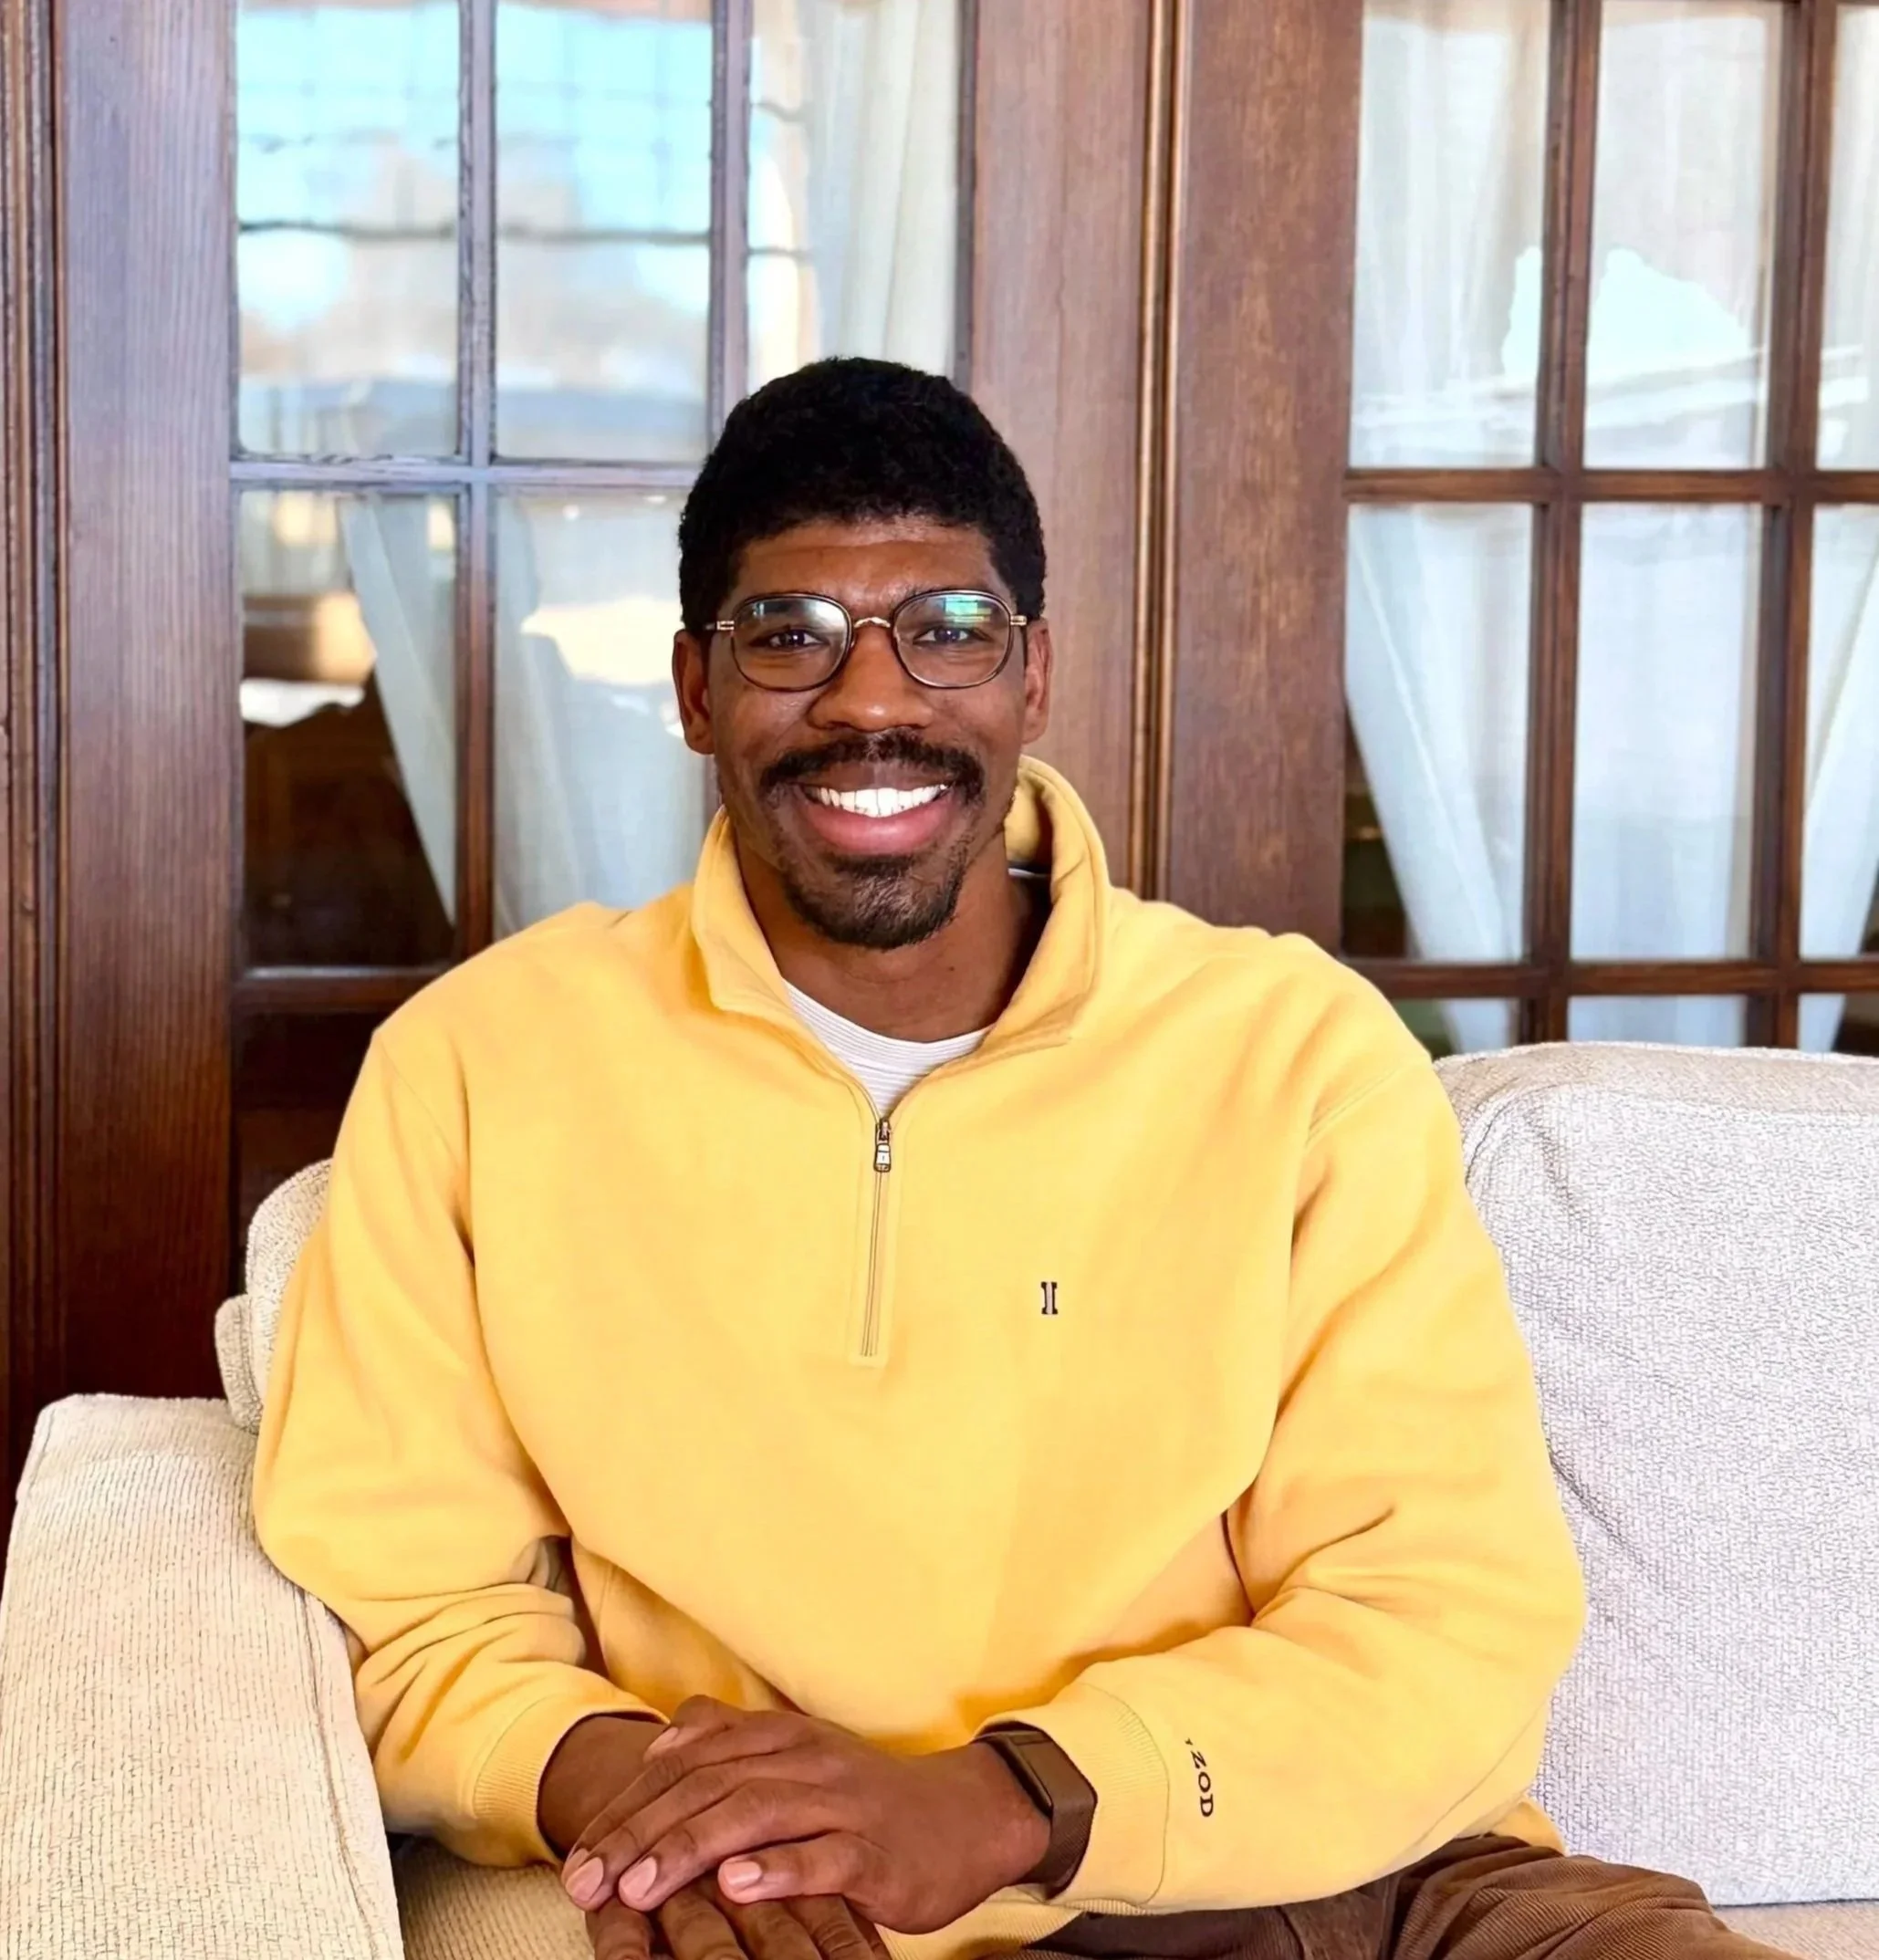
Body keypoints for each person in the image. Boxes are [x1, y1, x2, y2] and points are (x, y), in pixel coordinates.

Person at [253, 359, 1788, 1960]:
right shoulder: (486, 1062)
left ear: (1031, 676)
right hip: (819, 1911)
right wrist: (665, 1809)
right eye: (789, 636)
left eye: (948, 630)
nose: (870, 699)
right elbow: (408, 1609)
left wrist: (1008, 1799)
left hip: (1356, 1880)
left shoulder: (1289, 1050)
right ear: (696, 690)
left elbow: (1442, 1612)